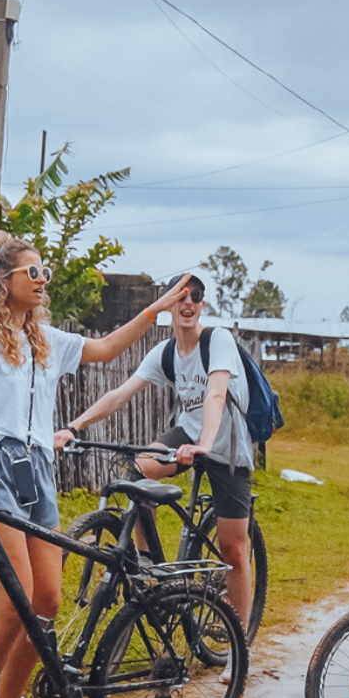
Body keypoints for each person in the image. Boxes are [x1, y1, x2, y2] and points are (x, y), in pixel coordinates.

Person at [0, 233, 188, 698]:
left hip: (37, 470)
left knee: (46, 600)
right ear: (4, 282)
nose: (42, 279)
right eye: (32, 272)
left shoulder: (44, 339)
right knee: (15, 600)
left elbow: (108, 347)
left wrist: (155, 311)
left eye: (44, 271)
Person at [60, 270, 259, 631]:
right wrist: (74, 426)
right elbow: (120, 394)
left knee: (233, 550)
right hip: (190, 434)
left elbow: (216, 394)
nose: (188, 303)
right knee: (139, 471)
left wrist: (204, 446)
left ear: (203, 304)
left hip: (227, 447)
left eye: (195, 296)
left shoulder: (218, 341)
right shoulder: (165, 352)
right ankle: (153, 566)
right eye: (180, 296)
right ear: (168, 303)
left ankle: (239, 642)